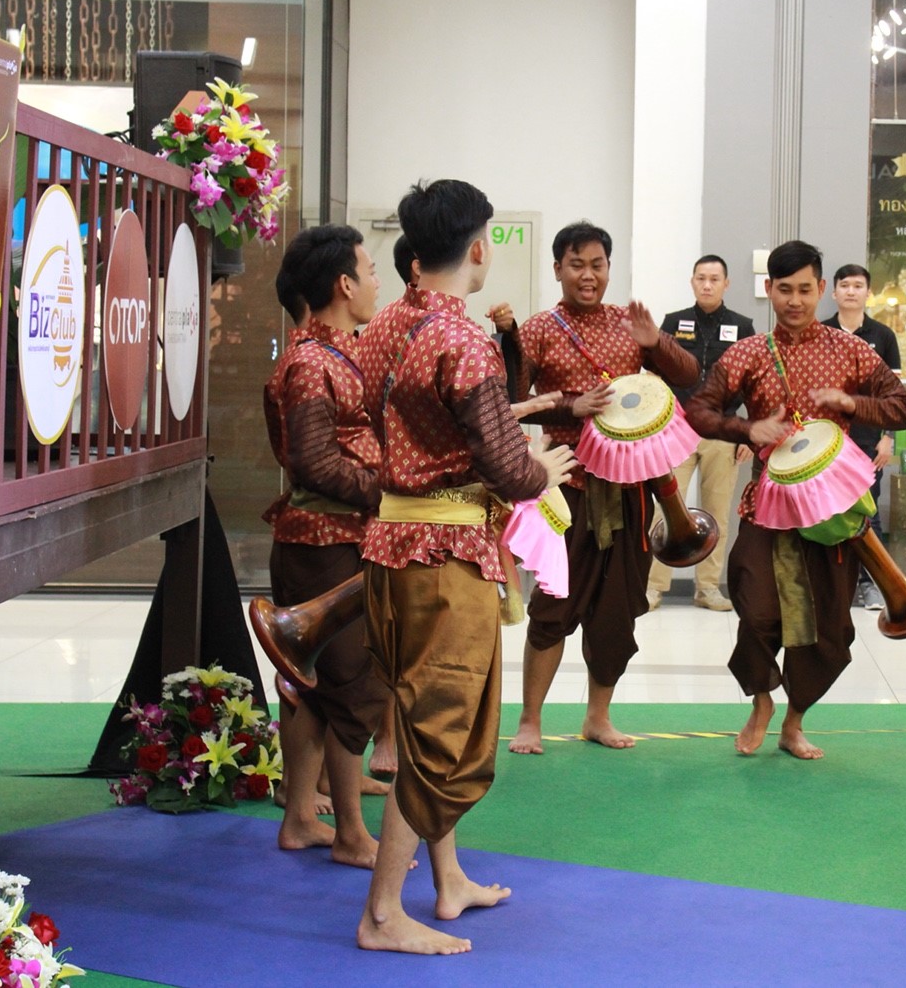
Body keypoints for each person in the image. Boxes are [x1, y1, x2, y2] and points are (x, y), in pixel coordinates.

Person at [355, 179, 575, 954]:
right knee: (440, 732)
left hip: (390, 545)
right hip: (448, 556)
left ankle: (446, 880)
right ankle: (383, 912)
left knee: (423, 723)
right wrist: (542, 468)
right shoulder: (469, 341)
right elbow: (508, 470)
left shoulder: (384, 326)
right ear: (479, 247)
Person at [686, 240, 906, 760]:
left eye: (805, 289)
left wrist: (851, 403)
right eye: (783, 289)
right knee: (756, 607)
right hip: (766, 505)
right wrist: (747, 427)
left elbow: (903, 408)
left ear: (821, 289)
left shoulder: (851, 349)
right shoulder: (747, 352)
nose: (794, 300)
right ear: (768, 290)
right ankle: (762, 702)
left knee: (829, 624)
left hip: (834, 510)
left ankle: (793, 723)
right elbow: (698, 410)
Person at [497, 221, 699, 754]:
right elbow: (511, 398)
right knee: (553, 607)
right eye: (577, 265)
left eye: (597, 265)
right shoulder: (541, 328)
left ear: (609, 268)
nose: (588, 276)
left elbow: (687, 374)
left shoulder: (625, 323)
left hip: (631, 488)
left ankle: (597, 717)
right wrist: (568, 403)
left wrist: (655, 342)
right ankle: (530, 722)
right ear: (558, 268)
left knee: (616, 611)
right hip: (568, 487)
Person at [262, 224, 388, 868]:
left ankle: (301, 820)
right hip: (328, 544)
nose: (376, 281)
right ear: (343, 284)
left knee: (308, 684)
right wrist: (388, 488)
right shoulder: (314, 362)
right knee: (352, 687)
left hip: (328, 541)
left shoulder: (333, 353)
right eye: (368, 270)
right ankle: (350, 836)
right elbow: (313, 462)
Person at [646, 254, 756, 612]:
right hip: (676, 431)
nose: (707, 285)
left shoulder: (742, 327)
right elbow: (657, 375)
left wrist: (747, 436)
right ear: (692, 282)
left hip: (722, 432)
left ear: (726, 284)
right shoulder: (674, 323)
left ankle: (707, 587)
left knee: (717, 512)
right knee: (666, 509)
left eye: (714, 279)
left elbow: (755, 385)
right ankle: (654, 587)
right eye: (701, 278)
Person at [821, 262, 901, 611]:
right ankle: (829, 582)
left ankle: (872, 584)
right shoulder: (818, 332)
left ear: (869, 293)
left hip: (869, 440)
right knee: (824, 508)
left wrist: (888, 438)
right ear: (834, 292)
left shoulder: (883, 336)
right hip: (827, 439)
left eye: (858, 286)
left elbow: (895, 395)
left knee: (868, 510)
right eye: (845, 285)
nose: (851, 291)